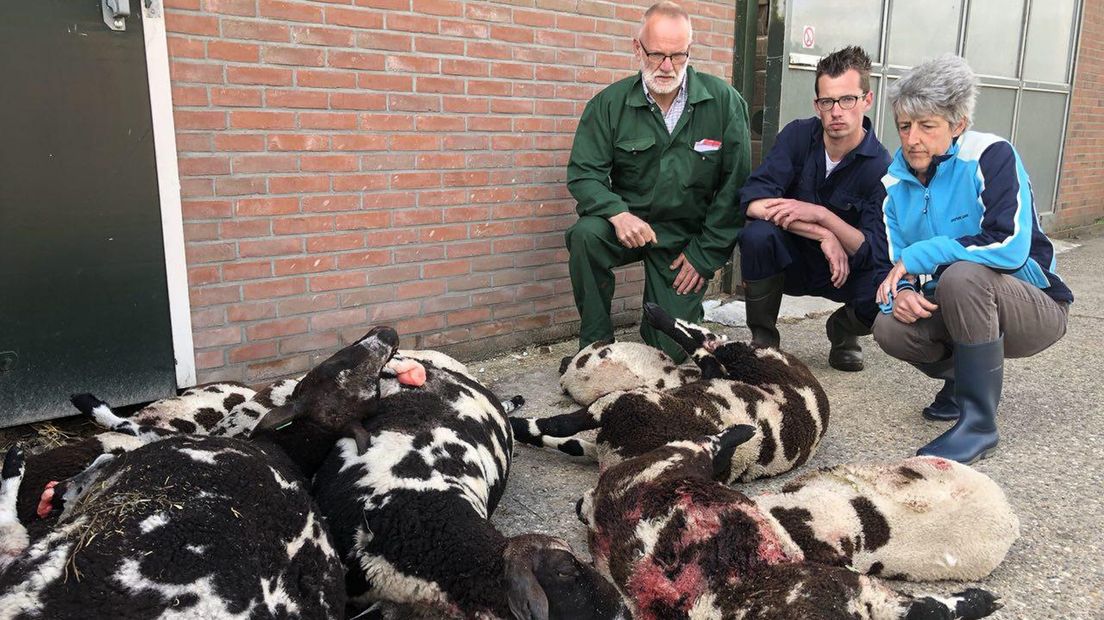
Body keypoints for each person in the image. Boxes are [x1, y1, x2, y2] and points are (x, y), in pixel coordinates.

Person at [874, 54, 1073, 464]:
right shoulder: (895, 185)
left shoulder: (992, 155)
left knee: (962, 275)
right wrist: (906, 291)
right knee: (889, 325)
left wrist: (923, 256)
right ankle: (960, 384)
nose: (912, 139)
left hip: (1033, 304)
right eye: (905, 126)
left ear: (958, 124)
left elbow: (1010, 247)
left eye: (927, 126)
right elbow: (897, 265)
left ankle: (979, 424)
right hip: (958, 301)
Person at [565, 1, 751, 362]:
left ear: (689, 51)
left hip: (683, 240)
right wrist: (617, 213)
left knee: (671, 353)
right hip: (628, 228)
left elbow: (735, 188)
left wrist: (703, 256)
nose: (667, 67)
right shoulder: (608, 105)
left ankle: (664, 322)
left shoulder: (725, 103)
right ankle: (595, 346)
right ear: (638, 47)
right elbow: (584, 174)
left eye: (677, 56)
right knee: (585, 234)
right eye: (656, 55)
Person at [737, 46, 892, 371]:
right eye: (827, 101)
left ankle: (844, 330)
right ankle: (764, 344)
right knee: (757, 235)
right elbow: (753, 201)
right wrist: (822, 233)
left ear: (867, 99)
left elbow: (872, 249)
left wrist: (823, 216)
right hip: (791, 260)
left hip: (843, 272)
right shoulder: (797, 136)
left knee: (885, 288)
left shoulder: (881, 166)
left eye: (847, 99)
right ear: (817, 105)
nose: (837, 111)